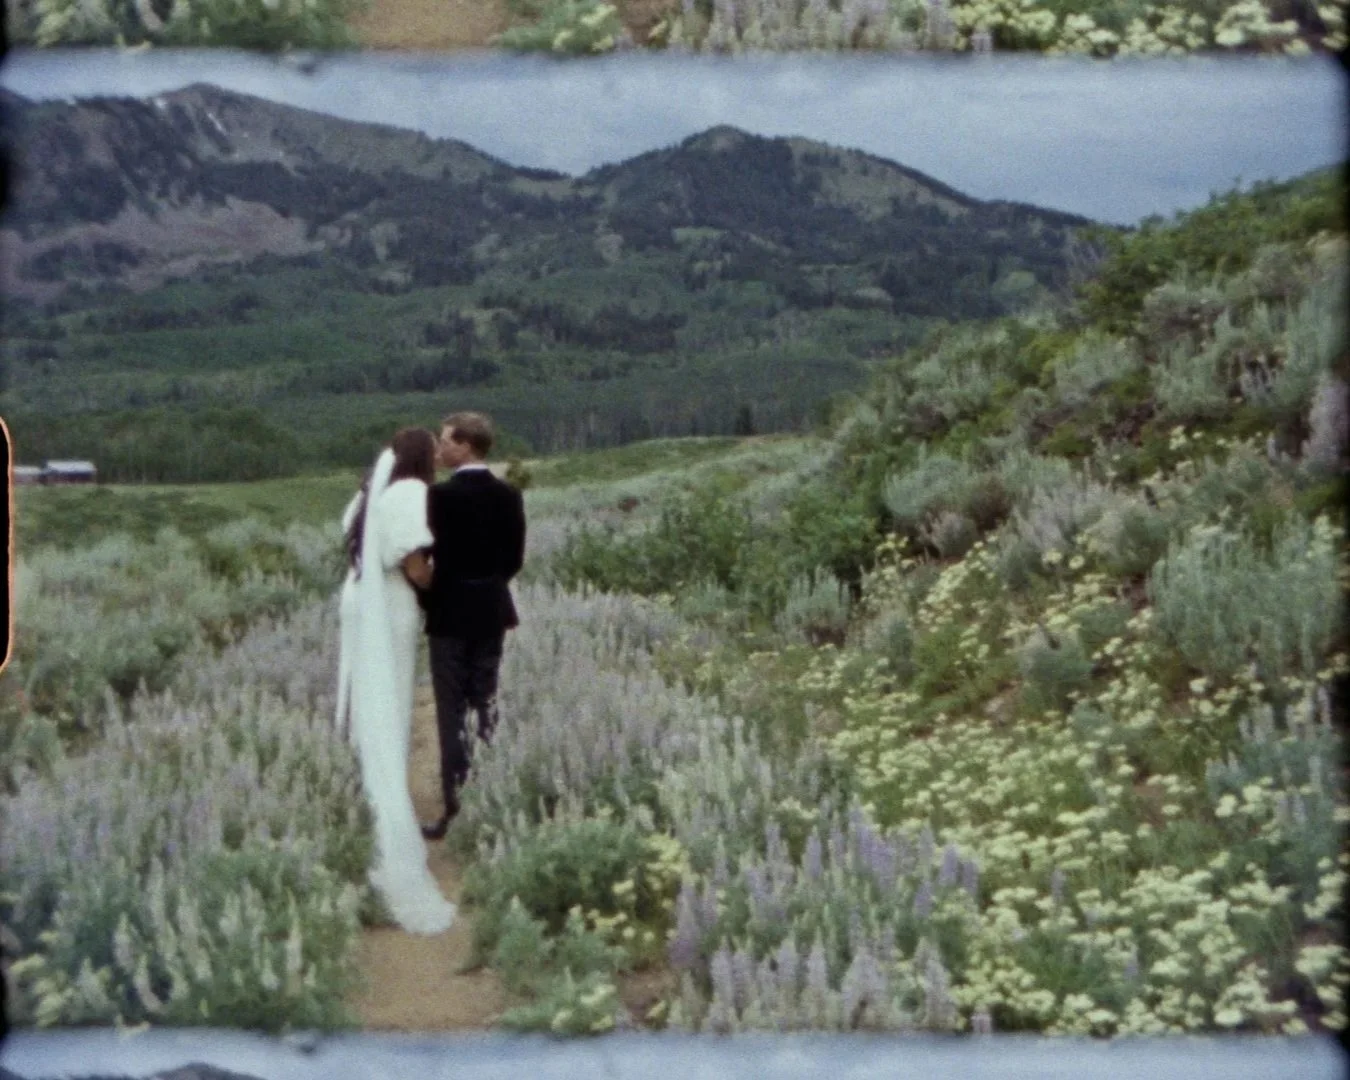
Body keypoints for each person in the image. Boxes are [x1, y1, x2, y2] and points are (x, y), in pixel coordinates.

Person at [335, 428, 456, 935]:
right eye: (432, 452)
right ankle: (387, 803)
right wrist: (439, 584)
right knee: (391, 697)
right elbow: (414, 564)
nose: (437, 458)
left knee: (367, 693)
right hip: (390, 604)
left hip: (359, 597)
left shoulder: (368, 494)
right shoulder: (410, 493)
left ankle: (363, 785)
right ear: (419, 458)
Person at [419, 411, 526, 840]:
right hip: (490, 611)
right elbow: (513, 559)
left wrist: (436, 592)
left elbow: (424, 555)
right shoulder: (509, 495)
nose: (440, 448)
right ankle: (491, 799)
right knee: (485, 702)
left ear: (465, 445)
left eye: (445, 441)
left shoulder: (438, 498)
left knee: (451, 710)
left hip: (448, 612)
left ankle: (456, 808)